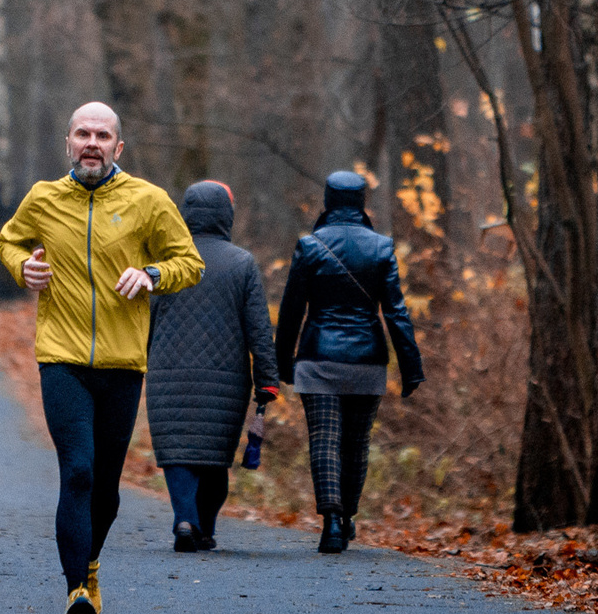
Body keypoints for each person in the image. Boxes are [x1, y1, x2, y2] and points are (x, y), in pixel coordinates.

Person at [0, 102, 202, 614]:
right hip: (61, 357)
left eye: (102, 135)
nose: (92, 142)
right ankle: (76, 593)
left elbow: (190, 262)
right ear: (68, 143)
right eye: (83, 134)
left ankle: (89, 568)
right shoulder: (44, 198)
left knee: (107, 485)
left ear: (118, 147)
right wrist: (24, 266)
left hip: (122, 363)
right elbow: (9, 240)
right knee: (79, 471)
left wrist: (153, 273)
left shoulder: (147, 201)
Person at [273, 170, 424, 553]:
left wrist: (281, 362)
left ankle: (332, 523)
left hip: (318, 358)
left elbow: (291, 310)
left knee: (324, 439)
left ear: (327, 201)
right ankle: (348, 515)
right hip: (366, 362)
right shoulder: (381, 247)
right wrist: (411, 367)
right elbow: (396, 313)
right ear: (361, 203)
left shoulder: (310, 246)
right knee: (356, 443)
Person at [146, 181, 278, 553]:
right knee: (214, 456)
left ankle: (186, 519)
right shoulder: (242, 263)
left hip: (167, 373)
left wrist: (138, 363)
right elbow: (258, 328)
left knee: (178, 452)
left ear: (183, 213)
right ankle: (202, 526)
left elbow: (144, 320)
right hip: (226, 379)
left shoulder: (163, 263)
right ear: (227, 216)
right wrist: (267, 381)